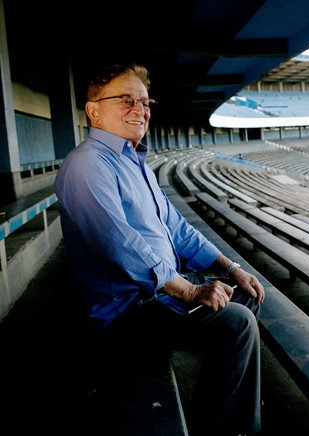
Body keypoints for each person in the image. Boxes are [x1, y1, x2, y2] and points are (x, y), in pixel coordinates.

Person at [55, 63, 265, 435]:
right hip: (124, 311)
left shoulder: (138, 165)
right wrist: (189, 289)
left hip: (154, 298)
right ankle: (230, 429)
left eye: (144, 101)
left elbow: (178, 230)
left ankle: (220, 411)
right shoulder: (87, 164)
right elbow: (118, 243)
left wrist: (232, 268)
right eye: (125, 100)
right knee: (237, 323)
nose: (140, 109)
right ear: (94, 110)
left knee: (246, 295)